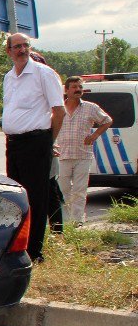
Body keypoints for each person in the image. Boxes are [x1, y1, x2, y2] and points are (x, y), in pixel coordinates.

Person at [2, 33, 66, 261]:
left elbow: (59, 111)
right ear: (9, 51)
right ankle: (19, 245)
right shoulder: (9, 77)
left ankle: (34, 251)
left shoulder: (43, 73)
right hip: (14, 143)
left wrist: (49, 142)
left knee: (36, 198)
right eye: (17, 46)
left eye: (25, 45)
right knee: (18, 197)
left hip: (36, 142)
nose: (22, 50)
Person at [57, 76, 113, 224]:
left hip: (83, 155)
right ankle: (68, 218)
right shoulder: (59, 108)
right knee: (63, 189)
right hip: (62, 154)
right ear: (66, 90)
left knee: (80, 190)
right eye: (74, 87)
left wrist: (95, 135)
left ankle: (77, 221)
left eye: (80, 87)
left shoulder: (90, 107)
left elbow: (107, 120)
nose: (78, 90)